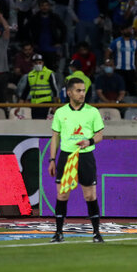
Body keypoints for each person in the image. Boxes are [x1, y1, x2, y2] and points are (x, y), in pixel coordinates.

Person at [48, 77, 105, 243]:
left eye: (84, 90)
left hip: (85, 156)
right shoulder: (60, 112)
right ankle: (58, 233)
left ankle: (96, 233)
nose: (82, 94)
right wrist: (52, 159)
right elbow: (55, 137)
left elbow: (100, 134)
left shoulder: (92, 112)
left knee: (90, 196)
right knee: (62, 195)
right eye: (78, 90)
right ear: (69, 92)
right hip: (66, 157)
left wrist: (89, 141)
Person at [105, 23, 137, 98]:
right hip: (119, 69)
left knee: (132, 90)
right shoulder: (116, 42)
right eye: (127, 29)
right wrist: (108, 62)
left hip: (131, 69)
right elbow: (108, 52)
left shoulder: (135, 42)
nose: (129, 31)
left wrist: (136, 66)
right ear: (122, 31)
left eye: (130, 29)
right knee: (120, 89)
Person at [19, 53, 58, 119]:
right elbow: (26, 90)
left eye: (40, 62)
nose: (38, 64)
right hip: (34, 102)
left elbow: (54, 89)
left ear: (43, 63)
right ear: (33, 64)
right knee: (35, 123)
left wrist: (55, 105)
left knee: (43, 122)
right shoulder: (30, 74)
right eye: (35, 63)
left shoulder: (49, 73)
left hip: (45, 102)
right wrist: (19, 105)